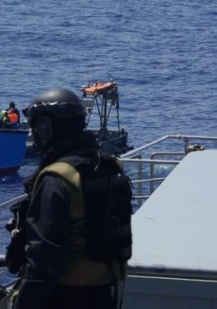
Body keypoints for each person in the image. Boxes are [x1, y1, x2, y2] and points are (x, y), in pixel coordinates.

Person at [8, 87, 132, 309]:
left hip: (64, 297)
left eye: (38, 125)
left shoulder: (58, 178)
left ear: (47, 128)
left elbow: (44, 263)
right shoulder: (109, 166)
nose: (34, 132)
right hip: (106, 293)